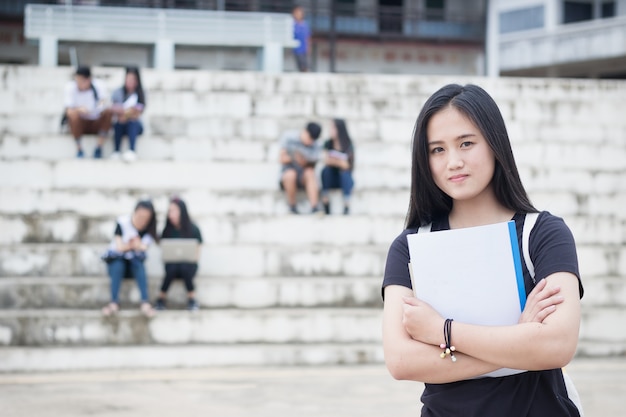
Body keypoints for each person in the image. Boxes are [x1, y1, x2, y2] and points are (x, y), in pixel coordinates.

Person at [382, 84, 584, 416]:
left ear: (494, 144)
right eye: (437, 150)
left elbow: (557, 345)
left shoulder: (543, 234)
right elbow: (402, 361)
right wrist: (519, 340)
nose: (454, 162)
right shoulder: (409, 247)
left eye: (466, 143)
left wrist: (442, 332)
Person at [101, 200, 158, 318]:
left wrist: (134, 246)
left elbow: (143, 248)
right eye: (140, 216)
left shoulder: (149, 231)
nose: (142, 220)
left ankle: (145, 302)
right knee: (118, 265)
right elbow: (119, 246)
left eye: (146, 218)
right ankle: (113, 302)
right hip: (117, 262)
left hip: (133, 265)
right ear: (135, 212)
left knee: (139, 265)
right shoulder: (122, 222)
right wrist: (132, 245)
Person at [154, 197, 203, 311]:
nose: (171, 214)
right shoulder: (167, 230)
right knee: (173, 267)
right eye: (170, 211)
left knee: (184, 266)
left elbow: (198, 249)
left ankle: (192, 299)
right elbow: (163, 248)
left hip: (188, 267)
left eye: (174, 211)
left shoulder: (193, 229)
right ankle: (161, 299)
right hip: (171, 267)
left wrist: (193, 259)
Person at [63, 66, 112, 159]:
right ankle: (79, 149)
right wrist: (79, 109)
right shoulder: (70, 87)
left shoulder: (99, 85)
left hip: (96, 120)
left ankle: (99, 147)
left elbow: (104, 102)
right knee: (73, 117)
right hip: (81, 122)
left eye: (81, 81)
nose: (79, 83)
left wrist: (99, 107)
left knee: (108, 113)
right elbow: (68, 111)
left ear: (88, 80)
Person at [279, 122, 322, 214]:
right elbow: (281, 158)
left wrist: (305, 162)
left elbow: (313, 163)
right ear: (305, 132)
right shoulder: (289, 137)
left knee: (310, 172)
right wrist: (295, 158)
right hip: (289, 173)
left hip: (304, 174)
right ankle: (292, 206)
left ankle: (314, 207)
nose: (310, 142)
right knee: (291, 174)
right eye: (309, 138)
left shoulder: (316, 145)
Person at [110, 66, 146, 162]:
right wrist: (126, 112)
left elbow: (137, 112)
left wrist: (125, 114)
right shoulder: (118, 92)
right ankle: (116, 151)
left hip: (134, 124)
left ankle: (132, 150)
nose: (130, 81)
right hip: (120, 123)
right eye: (128, 79)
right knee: (118, 123)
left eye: (133, 79)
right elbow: (113, 108)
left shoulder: (140, 94)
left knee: (132, 122)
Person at [320, 118, 355, 215]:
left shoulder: (348, 144)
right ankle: (325, 200)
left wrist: (334, 161)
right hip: (332, 177)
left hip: (344, 178)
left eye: (332, 128)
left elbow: (347, 165)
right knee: (326, 171)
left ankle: (346, 204)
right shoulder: (328, 143)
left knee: (345, 174)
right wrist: (339, 162)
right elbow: (326, 160)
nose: (330, 130)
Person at [292, 5, 311, 72]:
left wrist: (308, 47)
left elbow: (307, 37)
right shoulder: (292, 24)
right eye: (296, 13)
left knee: (305, 65)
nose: (298, 15)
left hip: (304, 48)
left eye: (299, 13)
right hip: (296, 49)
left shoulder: (305, 25)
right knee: (300, 65)